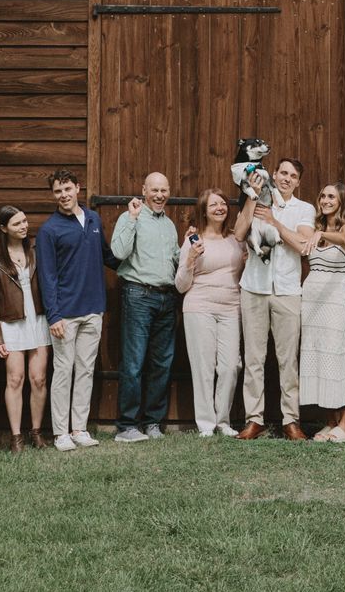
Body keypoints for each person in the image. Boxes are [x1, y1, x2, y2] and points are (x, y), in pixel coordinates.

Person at [233, 157, 317, 441]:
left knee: (287, 360)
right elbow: (239, 234)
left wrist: (274, 221)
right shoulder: (257, 198)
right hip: (254, 287)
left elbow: (303, 245)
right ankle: (253, 420)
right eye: (283, 172)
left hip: (287, 291)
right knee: (254, 358)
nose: (286, 178)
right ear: (275, 174)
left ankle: (290, 420)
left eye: (292, 175)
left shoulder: (303, 209)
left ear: (298, 181)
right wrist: (251, 198)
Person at [34, 169, 111, 452]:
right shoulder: (49, 230)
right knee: (64, 370)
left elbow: (107, 256)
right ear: (53, 195)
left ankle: (79, 428)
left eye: (67, 189)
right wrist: (53, 315)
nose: (64, 195)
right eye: (58, 191)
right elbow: (47, 276)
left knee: (86, 370)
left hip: (93, 309)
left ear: (78, 188)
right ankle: (60, 432)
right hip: (65, 312)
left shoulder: (93, 219)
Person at [109, 171, 180, 443]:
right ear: (144, 190)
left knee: (162, 363)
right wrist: (132, 218)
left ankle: (152, 423)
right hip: (138, 295)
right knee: (134, 363)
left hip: (166, 297)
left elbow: (175, 260)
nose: (160, 195)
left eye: (164, 190)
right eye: (154, 190)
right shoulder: (130, 218)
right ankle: (127, 426)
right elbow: (119, 252)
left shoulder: (170, 225)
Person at [175, 188, 245, 438]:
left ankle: (223, 420)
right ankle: (206, 423)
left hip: (231, 307)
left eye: (223, 203)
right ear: (204, 210)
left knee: (230, 366)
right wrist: (191, 259)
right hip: (199, 306)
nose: (220, 208)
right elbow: (181, 285)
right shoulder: (194, 240)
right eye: (213, 204)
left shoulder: (236, 238)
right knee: (203, 366)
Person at [0, 205, 49, 454]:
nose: (23, 227)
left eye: (24, 221)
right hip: (11, 323)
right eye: (16, 224)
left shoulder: (36, 250)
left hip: (38, 319)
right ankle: (16, 437)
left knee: (39, 378)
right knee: (15, 378)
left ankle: (36, 432)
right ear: (3, 228)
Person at [301, 182, 345, 442]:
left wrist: (322, 236)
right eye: (322, 195)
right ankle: (329, 420)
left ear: (341, 201)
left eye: (331, 196)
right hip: (311, 300)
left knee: (333, 357)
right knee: (315, 356)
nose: (325, 200)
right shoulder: (315, 228)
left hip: (334, 301)